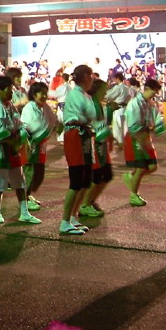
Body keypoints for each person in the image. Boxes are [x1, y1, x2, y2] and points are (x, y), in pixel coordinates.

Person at [0, 76, 41, 225]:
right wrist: (16, 142)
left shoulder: (10, 106)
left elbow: (19, 124)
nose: (11, 93)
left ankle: (24, 212)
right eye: (9, 90)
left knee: (19, 180)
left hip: (13, 143)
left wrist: (21, 138)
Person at [60, 65, 97, 235]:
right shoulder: (75, 94)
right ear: (83, 77)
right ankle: (65, 221)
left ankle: (73, 216)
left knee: (85, 181)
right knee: (76, 181)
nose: (92, 79)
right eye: (90, 76)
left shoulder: (85, 95)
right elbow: (84, 117)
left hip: (85, 137)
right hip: (76, 136)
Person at [122, 79, 163, 207]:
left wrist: (157, 126)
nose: (154, 95)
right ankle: (134, 195)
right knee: (141, 167)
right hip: (136, 136)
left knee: (152, 166)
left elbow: (155, 119)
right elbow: (134, 125)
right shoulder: (135, 103)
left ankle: (131, 177)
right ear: (146, 89)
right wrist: (141, 139)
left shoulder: (148, 103)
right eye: (153, 92)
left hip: (145, 136)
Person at [20, 82, 59, 211]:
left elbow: (53, 120)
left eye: (45, 92)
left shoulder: (45, 107)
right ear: (34, 94)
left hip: (41, 146)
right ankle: (24, 199)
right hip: (30, 144)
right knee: (29, 172)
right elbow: (31, 126)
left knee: (39, 173)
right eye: (41, 92)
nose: (44, 95)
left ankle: (28, 194)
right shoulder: (29, 107)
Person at [80, 79, 114, 217]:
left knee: (106, 175)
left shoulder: (98, 104)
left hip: (100, 143)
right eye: (104, 89)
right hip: (94, 143)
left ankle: (90, 201)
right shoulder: (91, 104)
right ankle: (85, 204)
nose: (106, 92)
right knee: (98, 175)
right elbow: (93, 125)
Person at [105, 72, 131, 147]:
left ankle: (119, 142)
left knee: (118, 127)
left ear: (117, 79)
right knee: (124, 127)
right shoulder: (127, 87)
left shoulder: (118, 87)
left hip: (118, 108)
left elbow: (109, 96)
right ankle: (126, 142)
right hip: (125, 108)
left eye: (114, 79)